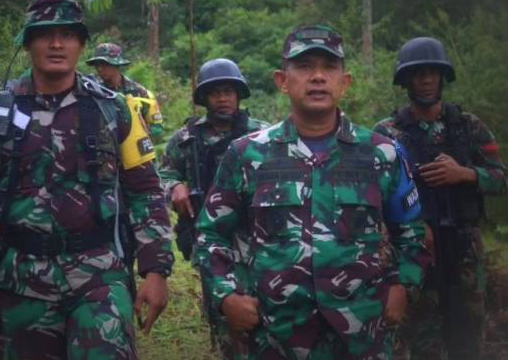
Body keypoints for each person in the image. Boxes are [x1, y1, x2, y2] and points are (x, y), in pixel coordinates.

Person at [0, 0, 174, 360]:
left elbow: (145, 190)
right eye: (44, 34)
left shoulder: (114, 111)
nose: (55, 44)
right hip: (19, 280)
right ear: (27, 41)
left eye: (67, 34)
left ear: (81, 43)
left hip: (100, 275)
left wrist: (156, 269)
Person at [195, 25, 432, 359]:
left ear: (344, 81)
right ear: (282, 80)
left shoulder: (382, 153)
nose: (318, 77)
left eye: (329, 67)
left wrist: (403, 286)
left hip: (361, 335)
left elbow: (412, 233)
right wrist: (227, 296)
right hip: (274, 335)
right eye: (305, 67)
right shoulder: (247, 154)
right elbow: (209, 234)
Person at [372, 37, 508, 360]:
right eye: (419, 73)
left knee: (469, 335)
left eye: (434, 72)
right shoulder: (387, 132)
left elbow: (501, 179)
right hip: (416, 252)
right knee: (423, 340)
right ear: (406, 79)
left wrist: (465, 174)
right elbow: (373, 194)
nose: (428, 80)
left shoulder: (467, 126)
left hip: (464, 248)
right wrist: (414, 228)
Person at [159, 58, 269, 359]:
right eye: (215, 92)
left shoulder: (262, 135)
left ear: (239, 94)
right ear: (205, 98)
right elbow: (163, 174)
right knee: (224, 311)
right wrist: (175, 187)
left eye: (229, 91)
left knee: (266, 308)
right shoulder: (187, 138)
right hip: (211, 235)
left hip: (258, 235)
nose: (223, 98)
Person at [86, 43, 165, 140]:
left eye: (104, 64)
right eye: (97, 65)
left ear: (116, 64)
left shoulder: (139, 92)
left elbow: (157, 128)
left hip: (134, 150)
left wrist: (133, 130)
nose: (100, 69)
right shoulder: (95, 92)